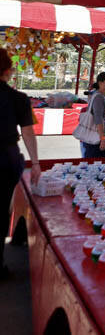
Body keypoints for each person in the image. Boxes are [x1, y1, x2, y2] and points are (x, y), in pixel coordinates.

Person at [1, 48, 40, 278]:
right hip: (5, 160)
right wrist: (35, 163)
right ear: (8, 70)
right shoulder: (18, 99)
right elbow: (27, 132)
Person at [80, 72, 105, 158]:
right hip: (95, 140)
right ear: (101, 83)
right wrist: (103, 139)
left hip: (96, 139)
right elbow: (98, 119)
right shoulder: (98, 97)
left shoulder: (102, 97)